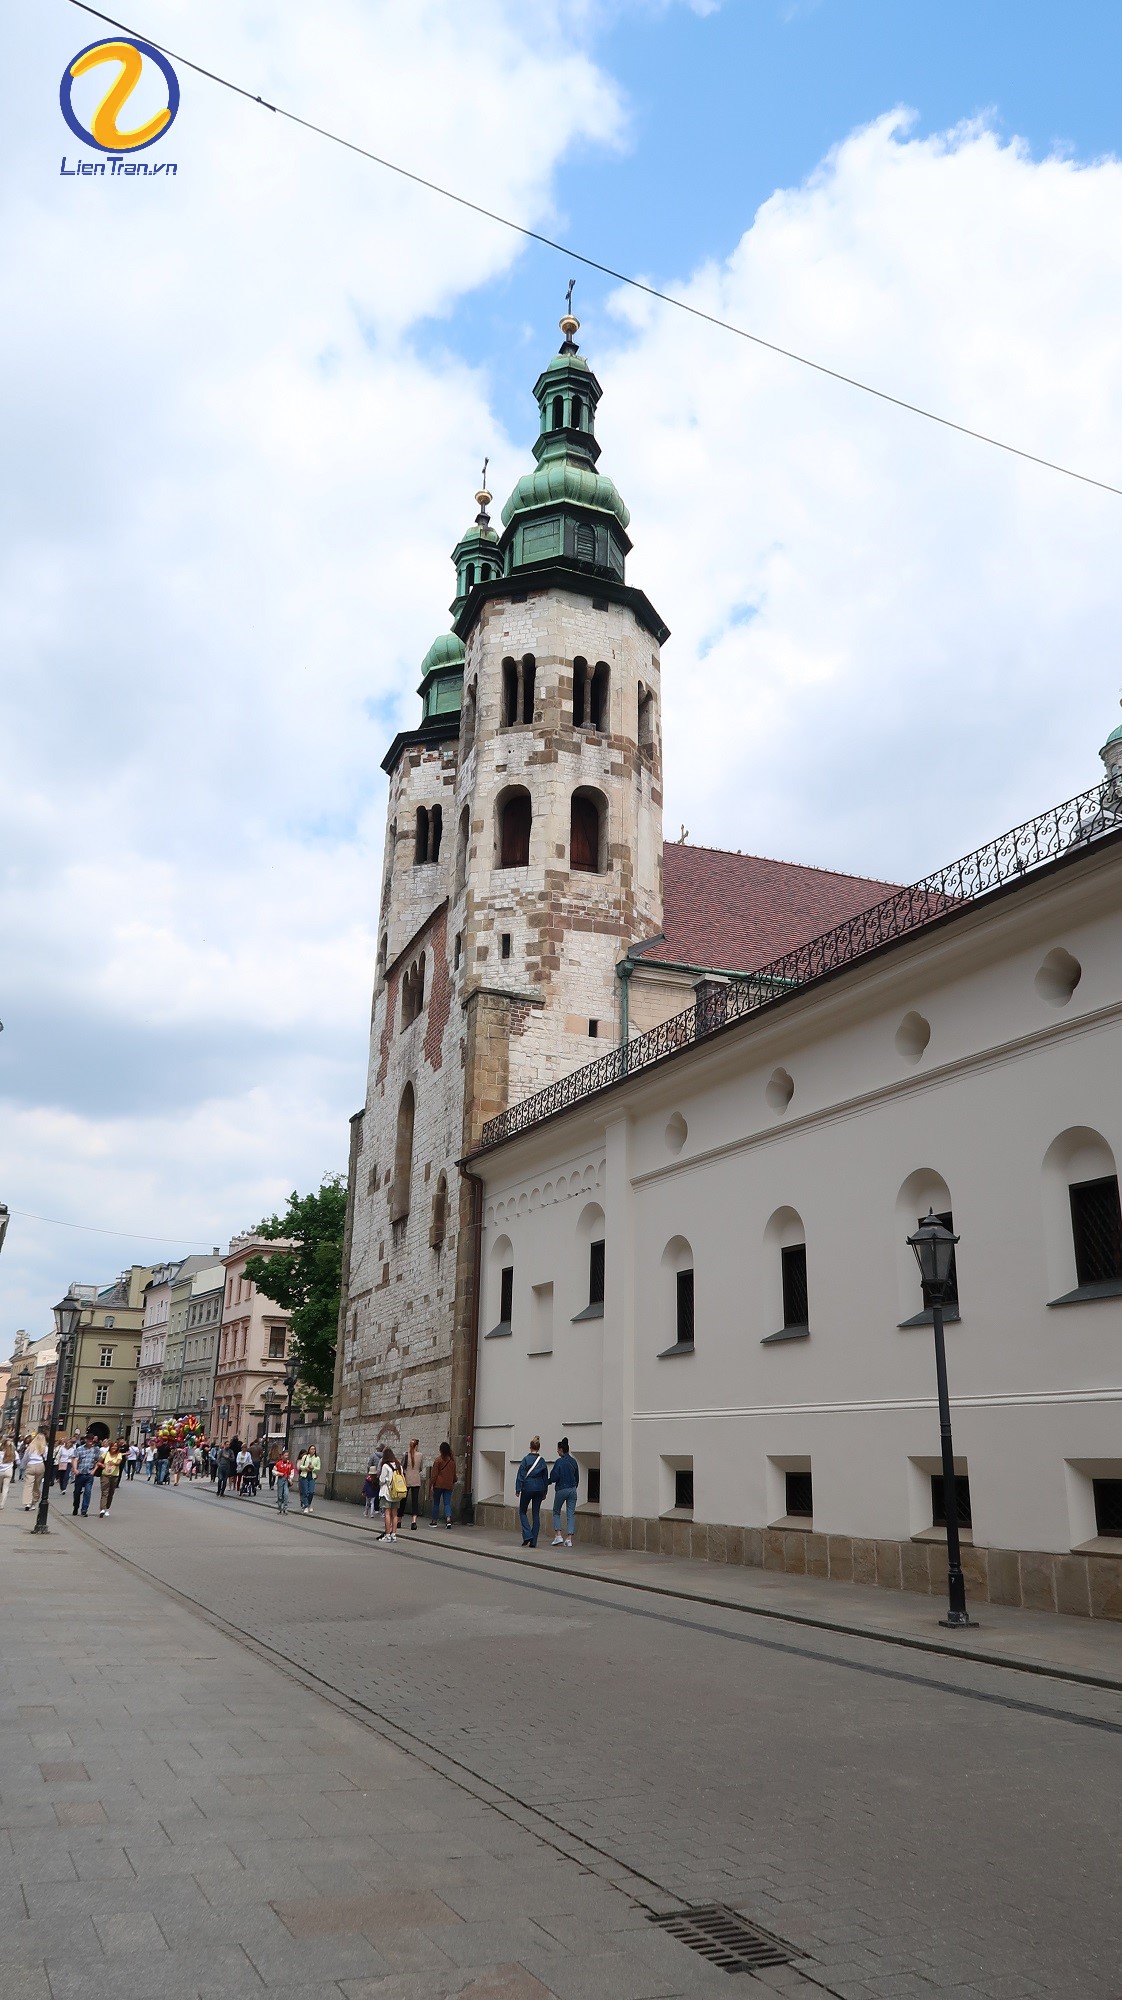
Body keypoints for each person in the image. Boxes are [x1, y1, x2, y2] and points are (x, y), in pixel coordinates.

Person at [515, 1436, 549, 1549]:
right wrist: (545, 1491)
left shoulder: (526, 1460)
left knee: (522, 1511)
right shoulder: (542, 1461)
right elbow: (545, 1477)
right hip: (539, 1488)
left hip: (528, 1488)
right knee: (536, 1514)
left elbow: (521, 1475)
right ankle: (534, 1541)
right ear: (538, 1448)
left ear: (530, 1447)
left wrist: (518, 1489)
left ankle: (527, 1534)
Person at [549, 1438, 580, 1549]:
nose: (557, 1451)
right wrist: (574, 1487)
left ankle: (558, 1535)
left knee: (556, 1511)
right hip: (572, 1490)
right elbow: (577, 1477)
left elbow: (554, 1477)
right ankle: (569, 1539)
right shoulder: (574, 1461)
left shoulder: (559, 1462)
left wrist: (548, 1481)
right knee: (570, 1514)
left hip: (562, 1489)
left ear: (561, 1449)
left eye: (558, 1449)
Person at [71, 1435, 101, 1517]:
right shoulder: (80, 1449)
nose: (90, 1441)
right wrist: (75, 1469)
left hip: (89, 1474)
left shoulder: (96, 1450)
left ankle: (84, 1509)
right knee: (77, 1492)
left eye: (92, 1439)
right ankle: (76, 1506)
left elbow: (98, 1461)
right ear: (85, 1440)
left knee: (87, 1492)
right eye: (89, 1439)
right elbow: (75, 1459)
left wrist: (94, 1470)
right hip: (80, 1474)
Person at [98, 1438, 127, 1516]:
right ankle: (102, 1509)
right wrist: (102, 1465)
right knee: (105, 1492)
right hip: (105, 1475)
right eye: (112, 1446)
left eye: (115, 1446)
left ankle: (107, 1508)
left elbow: (118, 1462)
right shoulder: (105, 1454)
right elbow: (98, 1462)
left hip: (114, 1476)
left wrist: (113, 1463)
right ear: (110, 1447)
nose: (114, 1448)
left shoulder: (119, 1455)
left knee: (111, 1493)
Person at [379, 1449, 402, 1543]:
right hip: (397, 1493)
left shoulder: (385, 1466)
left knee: (387, 1513)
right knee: (395, 1514)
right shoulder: (399, 1465)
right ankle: (394, 1534)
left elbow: (381, 1480)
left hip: (387, 1492)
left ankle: (387, 1535)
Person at [430, 1442, 456, 1526]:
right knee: (447, 1503)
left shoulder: (438, 1460)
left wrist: (431, 1484)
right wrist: (453, 1481)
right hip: (448, 1485)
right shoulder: (452, 1461)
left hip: (438, 1484)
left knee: (436, 1503)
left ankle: (434, 1521)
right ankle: (448, 1519)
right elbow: (454, 1474)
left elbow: (434, 1475)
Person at [20, 1432, 47, 1511]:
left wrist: (23, 1466)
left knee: (28, 1485)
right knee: (37, 1485)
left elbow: (25, 1458)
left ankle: (27, 1502)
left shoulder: (30, 1447)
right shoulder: (44, 1447)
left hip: (31, 1465)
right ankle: (34, 1502)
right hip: (40, 1465)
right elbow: (46, 1457)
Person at [402, 1438, 425, 1531]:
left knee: (403, 1500)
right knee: (415, 1501)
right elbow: (421, 1468)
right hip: (416, 1480)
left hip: (406, 1479)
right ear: (417, 1446)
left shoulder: (405, 1455)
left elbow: (402, 1466)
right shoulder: (420, 1455)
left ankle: (399, 1520)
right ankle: (414, 1521)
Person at [297, 1445, 320, 1514]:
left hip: (312, 1476)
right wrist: (305, 1468)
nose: (313, 1450)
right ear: (309, 1450)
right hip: (304, 1476)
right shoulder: (305, 1457)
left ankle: (309, 1503)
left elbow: (318, 1468)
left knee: (311, 1492)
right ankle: (306, 1506)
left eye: (314, 1449)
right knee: (305, 1491)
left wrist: (313, 1468)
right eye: (311, 1449)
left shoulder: (317, 1458)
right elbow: (300, 1466)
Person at [0, 1436, 16, 1509]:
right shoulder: (13, 1453)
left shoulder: (1, 1453)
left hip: (0, 1471)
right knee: (5, 1488)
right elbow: (18, 1461)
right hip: (9, 1471)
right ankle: (2, 1504)